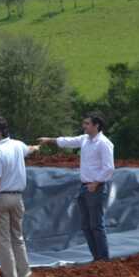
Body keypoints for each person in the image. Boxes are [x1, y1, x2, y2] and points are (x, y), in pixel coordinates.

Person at [38, 112, 115, 261]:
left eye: (87, 124)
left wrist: (96, 183)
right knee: (86, 226)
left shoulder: (104, 143)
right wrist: (49, 140)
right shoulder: (85, 140)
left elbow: (109, 167)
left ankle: (103, 259)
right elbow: (67, 141)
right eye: (84, 123)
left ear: (96, 125)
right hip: (85, 186)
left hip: (95, 187)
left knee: (96, 225)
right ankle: (96, 258)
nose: (84, 126)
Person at [0, 117, 40, 277]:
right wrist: (37, 147)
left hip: (1, 199)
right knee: (18, 238)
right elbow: (29, 149)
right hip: (17, 198)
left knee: (3, 242)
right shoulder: (17, 145)